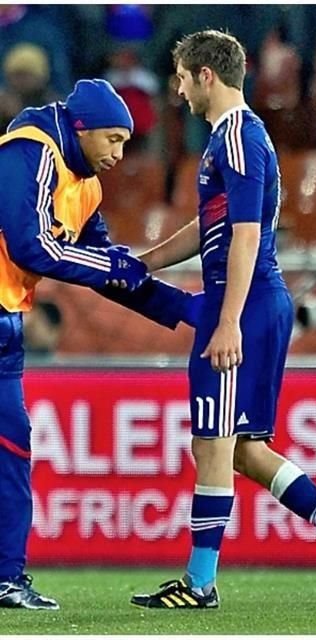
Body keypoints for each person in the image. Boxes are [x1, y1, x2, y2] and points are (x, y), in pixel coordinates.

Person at [129, 30, 316, 610]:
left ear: (205, 76)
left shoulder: (237, 138)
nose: (179, 88)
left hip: (241, 302)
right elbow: (209, 229)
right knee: (240, 449)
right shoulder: (234, 139)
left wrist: (228, 322)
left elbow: (245, 237)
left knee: (211, 443)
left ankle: (199, 583)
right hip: (253, 301)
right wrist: (147, 262)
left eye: (183, 77)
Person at [0, 78, 197, 610]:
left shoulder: (85, 186)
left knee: (13, 450)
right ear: (80, 128)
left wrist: (185, 309)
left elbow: (112, 273)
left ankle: (6, 579)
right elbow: (31, 246)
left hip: (7, 327)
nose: (119, 154)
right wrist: (115, 265)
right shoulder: (29, 152)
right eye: (112, 139)